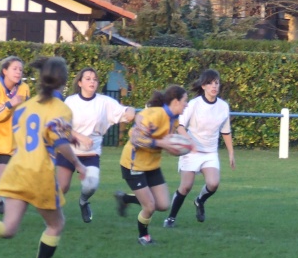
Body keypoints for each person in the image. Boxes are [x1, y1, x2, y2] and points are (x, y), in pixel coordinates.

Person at [0, 56, 86, 258]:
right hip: (38, 173)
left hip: (16, 168)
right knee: (56, 225)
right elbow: (57, 138)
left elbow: (33, 131)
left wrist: (63, 135)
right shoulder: (61, 109)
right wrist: (78, 163)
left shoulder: (24, 106)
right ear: (63, 81)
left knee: (8, 228)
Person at [56, 67, 135, 223]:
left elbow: (125, 111)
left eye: (95, 79)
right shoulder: (71, 101)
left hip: (91, 153)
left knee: (91, 186)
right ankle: (54, 218)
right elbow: (61, 127)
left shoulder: (104, 102)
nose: (92, 81)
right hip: (69, 151)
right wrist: (79, 137)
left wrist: (131, 110)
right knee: (62, 187)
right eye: (88, 78)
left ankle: (83, 201)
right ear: (79, 83)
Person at [116, 85, 189, 245]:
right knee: (149, 206)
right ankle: (144, 237)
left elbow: (166, 143)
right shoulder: (154, 114)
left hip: (152, 165)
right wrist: (161, 142)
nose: (187, 105)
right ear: (176, 101)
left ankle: (125, 198)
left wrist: (175, 148)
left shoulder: (174, 119)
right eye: (185, 101)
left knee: (163, 205)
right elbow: (135, 138)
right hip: (133, 164)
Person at [163, 69, 235, 228]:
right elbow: (180, 126)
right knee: (185, 186)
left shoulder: (223, 106)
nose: (214, 86)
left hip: (210, 152)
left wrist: (231, 153)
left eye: (216, 83)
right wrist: (189, 142)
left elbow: (226, 131)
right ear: (203, 86)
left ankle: (199, 201)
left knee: (213, 183)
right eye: (210, 83)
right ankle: (171, 218)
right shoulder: (194, 104)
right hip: (191, 151)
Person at [0, 56, 30, 214]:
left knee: (0, 182)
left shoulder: (24, 89)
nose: (18, 72)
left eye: (20, 70)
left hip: (6, 142)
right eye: (15, 68)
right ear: (4, 71)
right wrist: (9, 104)